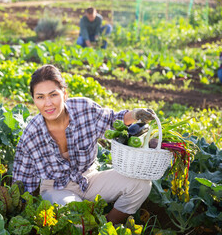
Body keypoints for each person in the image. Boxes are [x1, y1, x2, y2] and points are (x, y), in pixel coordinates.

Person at [12, 65, 155, 224]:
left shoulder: (84, 109)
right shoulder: (31, 134)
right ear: (34, 99)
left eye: (53, 95)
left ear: (64, 94)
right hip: (56, 189)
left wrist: (134, 114)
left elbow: (112, 120)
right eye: (40, 97)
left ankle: (109, 225)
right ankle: (87, 226)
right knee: (76, 217)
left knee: (140, 184)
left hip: (90, 179)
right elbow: (23, 181)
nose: (48, 103)